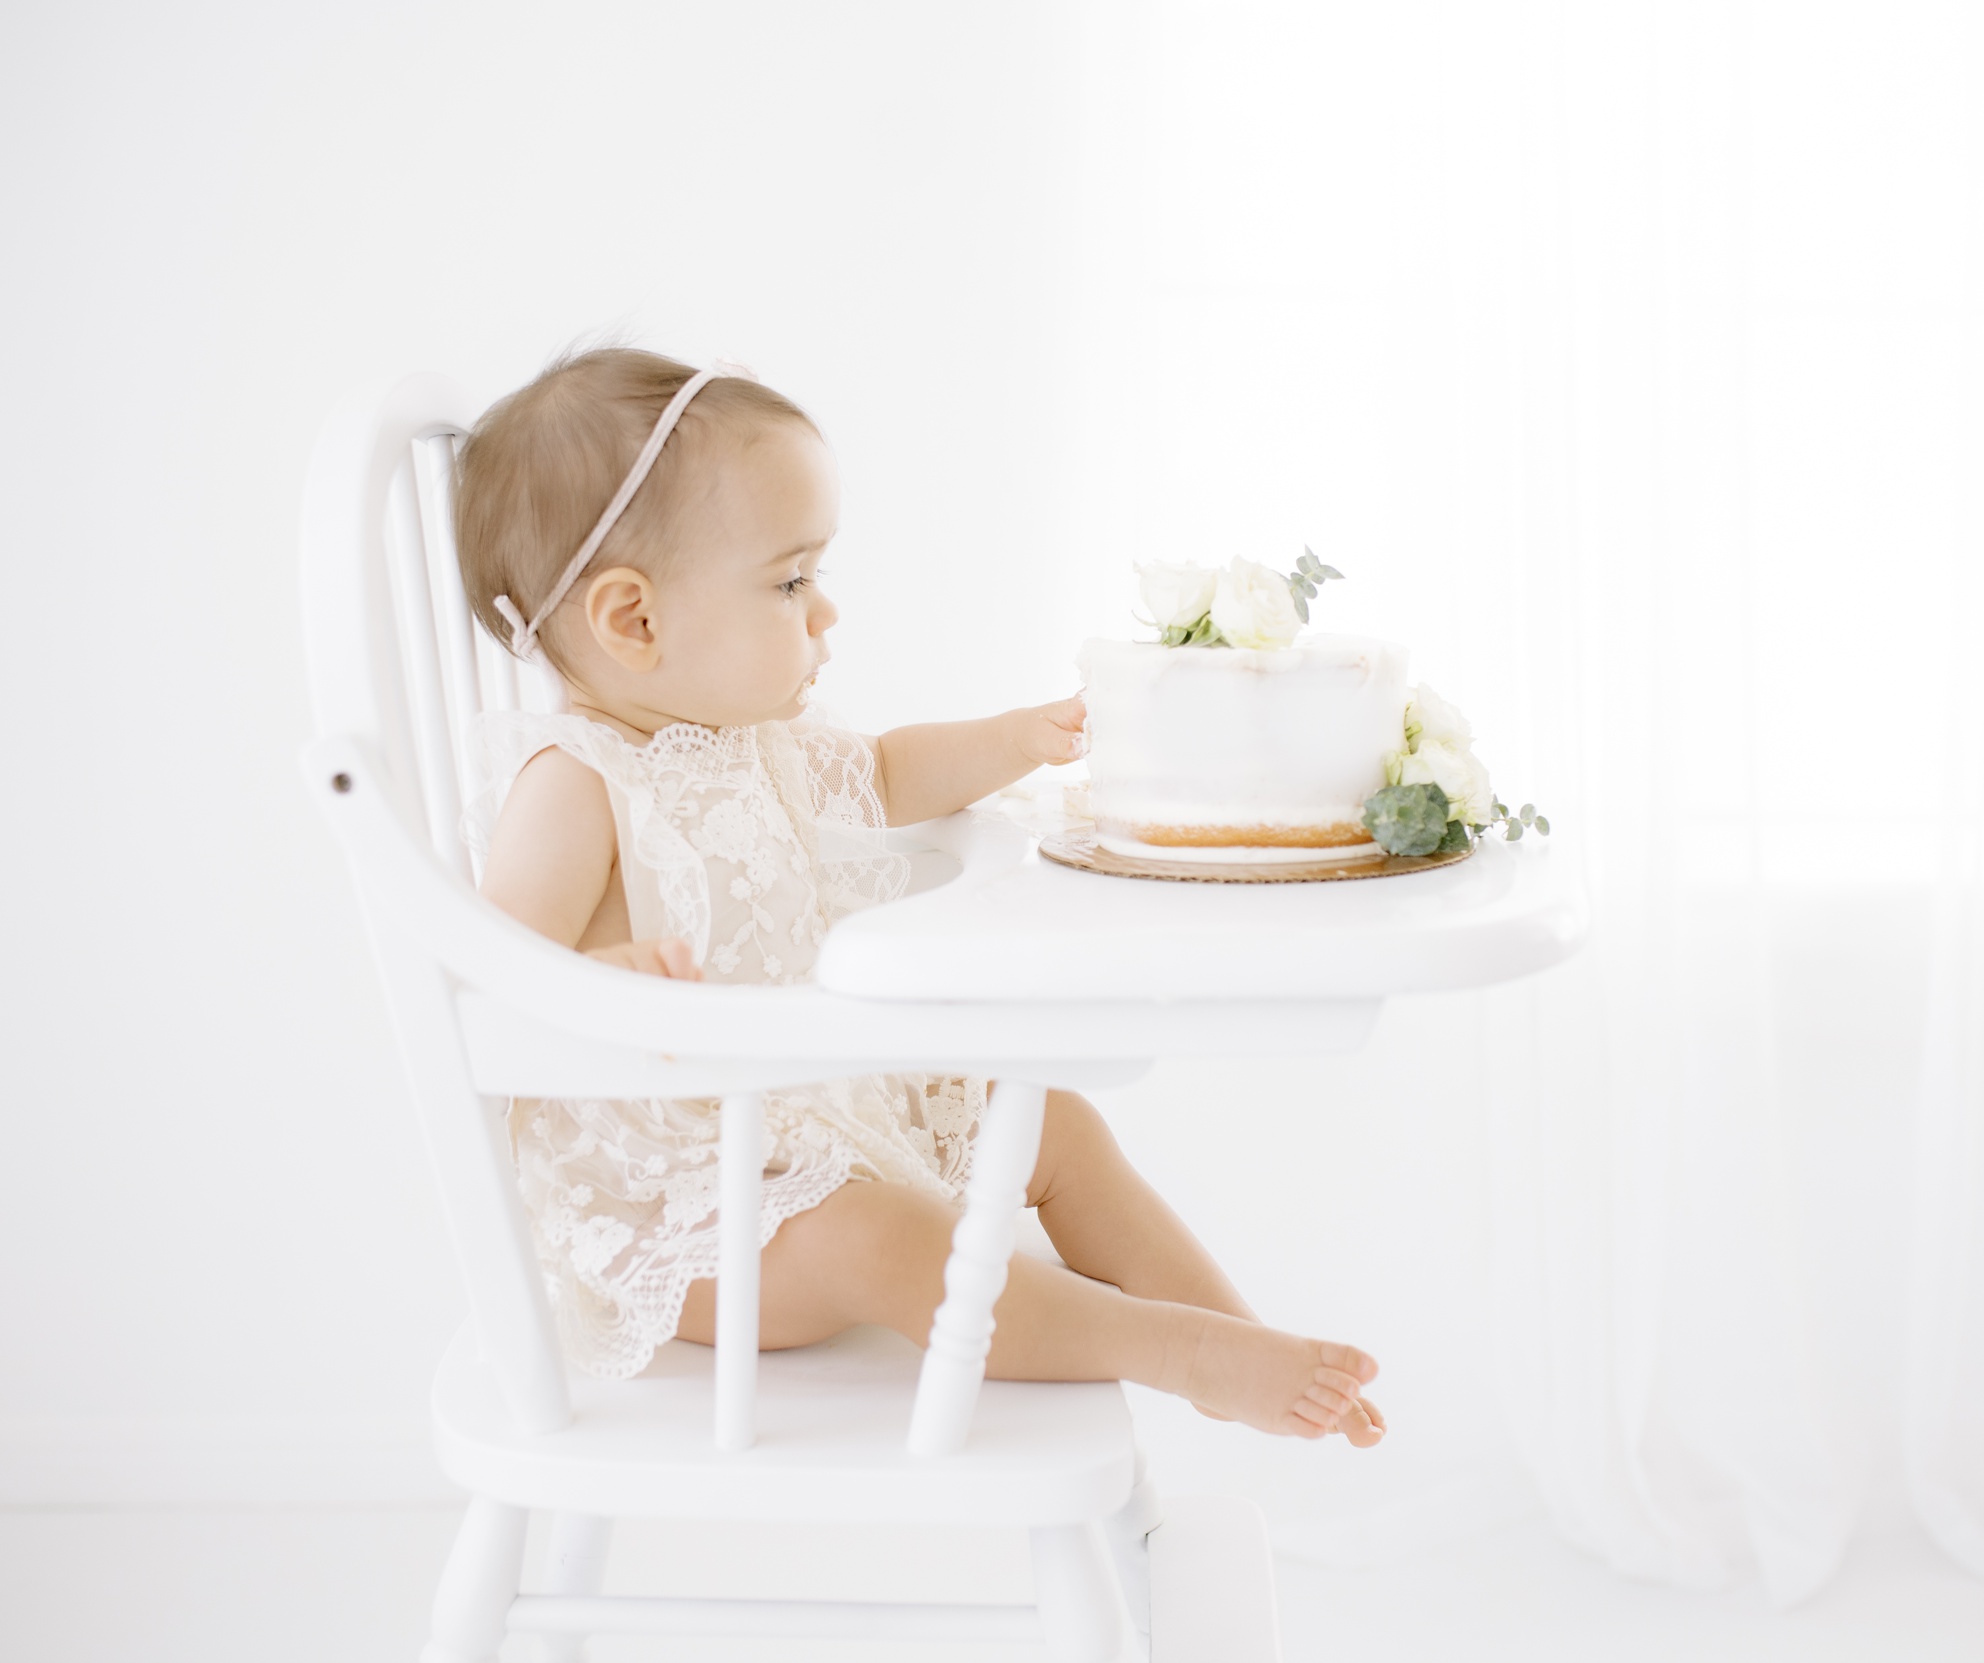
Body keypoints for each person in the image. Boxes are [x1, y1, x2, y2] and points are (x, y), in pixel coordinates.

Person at [454, 347, 1382, 1446]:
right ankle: (1166, 1348)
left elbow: (888, 776)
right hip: (686, 1217)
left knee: (1052, 1126)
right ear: (635, 622)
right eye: (790, 580)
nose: (825, 612)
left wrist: (1020, 739)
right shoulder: (575, 784)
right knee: (882, 1238)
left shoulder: (755, 744)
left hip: (804, 1113)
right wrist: (602, 984)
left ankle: (1228, 1331)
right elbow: (486, 984)